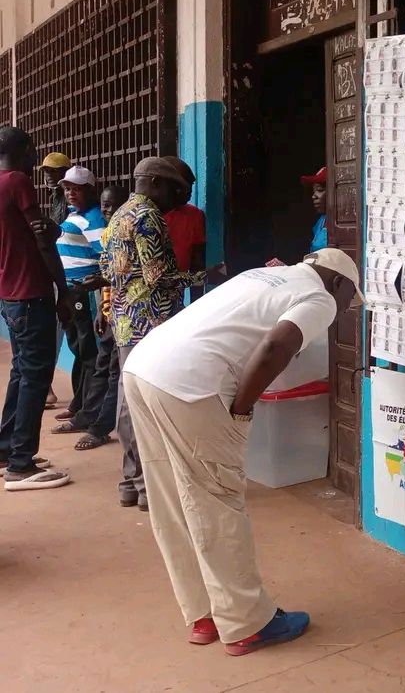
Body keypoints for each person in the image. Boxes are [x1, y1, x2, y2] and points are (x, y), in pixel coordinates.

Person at [122, 248, 359, 653]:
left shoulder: (261, 274)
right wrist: (242, 408)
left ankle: (204, 613)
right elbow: (274, 348)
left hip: (144, 366)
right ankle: (247, 623)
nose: (342, 310)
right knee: (218, 500)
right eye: (347, 299)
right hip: (192, 385)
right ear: (338, 282)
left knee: (171, 498)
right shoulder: (320, 296)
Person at [101, 158, 222, 511]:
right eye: (176, 190)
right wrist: (207, 276)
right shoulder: (149, 216)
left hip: (125, 321)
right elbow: (160, 278)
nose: (180, 199)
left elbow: (108, 269)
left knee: (128, 400)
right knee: (151, 403)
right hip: (152, 322)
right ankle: (147, 487)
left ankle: (130, 481)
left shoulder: (120, 215)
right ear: (154, 183)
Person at [0, 127, 74, 489]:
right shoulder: (17, 182)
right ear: (26, 149)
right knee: (35, 375)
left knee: (21, 371)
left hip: (10, 294)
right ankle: (20, 464)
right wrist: (64, 290)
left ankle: (6, 449)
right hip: (31, 291)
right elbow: (43, 239)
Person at [69, 185, 130, 451]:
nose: (107, 210)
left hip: (126, 316)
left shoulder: (125, 234)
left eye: (112, 205)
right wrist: (103, 311)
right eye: (104, 205)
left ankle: (100, 427)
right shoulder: (107, 235)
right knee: (101, 367)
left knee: (114, 371)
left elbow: (121, 277)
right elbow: (107, 279)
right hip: (110, 313)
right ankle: (88, 417)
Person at [50, 166, 106, 436]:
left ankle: (87, 413)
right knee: (79, 349)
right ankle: (78, 403)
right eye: (67, 188)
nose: (70, 193)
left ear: (89, 190)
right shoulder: (74, 215)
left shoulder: (94, 218)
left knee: (89, 351)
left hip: (84, 291)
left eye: (76, 188)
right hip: (70, 291)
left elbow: (105, 256)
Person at [40, 151, 72, 410]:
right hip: (60, 268)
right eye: (47, 172)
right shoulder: (56, 198)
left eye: (54, 172)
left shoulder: (70, 199)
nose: (49, 176)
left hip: (71, 272)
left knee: (60, 331)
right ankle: (46, 386)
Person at [163, 158, 207, 302]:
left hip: (176, 297)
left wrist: (197, 306)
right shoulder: (144, 217)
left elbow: (197, 264)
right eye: (183, 184)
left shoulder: (194, 215)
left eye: (191, 184)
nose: (189, 190)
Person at [301, 166, 329, 252]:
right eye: (313, 191)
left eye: (319, 190)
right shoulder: (321, 220)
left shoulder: (341, 225)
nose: (314, 196)